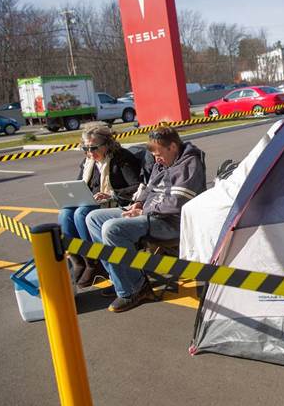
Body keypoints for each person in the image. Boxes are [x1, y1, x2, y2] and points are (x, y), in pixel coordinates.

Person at [86, 126, 206, 312]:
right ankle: (121, 279)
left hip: (171, 221)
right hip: (150, 213)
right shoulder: (163, 162)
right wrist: (139, 204)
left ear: (172, 146)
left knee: (112, 229)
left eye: (158, 154)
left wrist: (144, 211)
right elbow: (148, 188)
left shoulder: (190, 164)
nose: (156, 159)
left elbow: (177, 202)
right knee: (93, 218)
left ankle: (134, 289)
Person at [60, 124, 141, 287]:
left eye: (94, 148)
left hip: (117, 202)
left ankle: (94, 263)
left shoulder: (121, 159)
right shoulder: (88, 161)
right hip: (94, 202)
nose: (90, 152)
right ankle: (80, 261)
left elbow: (137, 186)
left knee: (81, 213)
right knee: (65, 213)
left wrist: (112, 194)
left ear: (107, 144)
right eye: (85, 148)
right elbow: (78, 184)